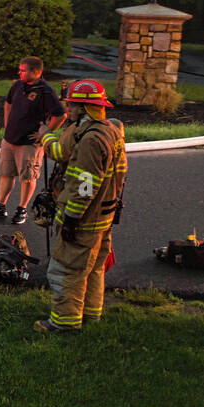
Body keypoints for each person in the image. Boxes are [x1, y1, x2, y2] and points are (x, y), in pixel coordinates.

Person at [32, 79, 127, 333]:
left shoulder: (90, 142)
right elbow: (63, 151)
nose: (69, 109)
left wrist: (71, 221)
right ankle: (90, 315)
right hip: (102, 218)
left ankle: (64, 322)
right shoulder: (109, 130)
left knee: (67, 269)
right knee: (93, 269)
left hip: (84, 220)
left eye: (73, 105)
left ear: (85, 108)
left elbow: (85, 188)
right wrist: (47, 137)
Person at [0, 56, 66, 224]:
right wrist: (7, 126)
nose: (19, 72)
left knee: (27, 177)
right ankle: (0, 206)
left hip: (29, 144)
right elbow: (8, 103)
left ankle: (22, 209)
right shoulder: (18, 85)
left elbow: (61, 114)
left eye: (23, 70)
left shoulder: (45, 91)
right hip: (10, 140)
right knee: (6, 174)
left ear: (36, 72)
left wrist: (45, 133)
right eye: (19, 69)